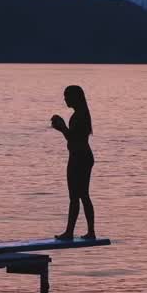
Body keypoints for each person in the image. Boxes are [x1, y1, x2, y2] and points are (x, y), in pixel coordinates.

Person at [50, 85, 96, 240]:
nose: (65, 99)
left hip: (79, 158)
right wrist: (63, 128)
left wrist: (62, 127)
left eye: (67, 96)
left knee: (78, 196)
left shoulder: (80, 116)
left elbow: (73, 138)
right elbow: (73, 139)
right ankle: (86, 231)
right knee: (81, 195)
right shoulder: (81, 114)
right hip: (81, 156)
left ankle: (73, 232)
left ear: (75, 97)